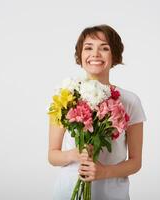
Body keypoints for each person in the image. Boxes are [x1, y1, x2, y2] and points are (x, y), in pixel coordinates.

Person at [48, 24, 147, 200]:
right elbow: (52, 155)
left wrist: (104, 172)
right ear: (80, 55)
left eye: (104, 48)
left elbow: (135, 162)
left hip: (112, 195)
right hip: (68, 192)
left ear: (114, 55)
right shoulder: (66, 96)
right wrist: (74, 154)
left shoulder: (130, 101)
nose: (95, 54)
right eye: (88, 48)